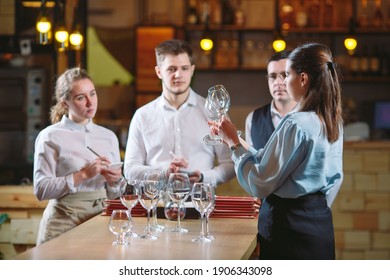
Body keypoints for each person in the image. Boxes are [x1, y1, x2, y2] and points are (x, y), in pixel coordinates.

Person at [209, 42, 343, 259]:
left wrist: (234, 144)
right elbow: (269, 159)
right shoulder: (331, 119)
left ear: (303, 79)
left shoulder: (295, 123)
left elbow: (260, 182)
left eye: (287, 75)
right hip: (319, 224)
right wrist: (234, 140)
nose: (282, 82)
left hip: (289, 228)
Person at [124, 39, 235, 185]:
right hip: (157, 202)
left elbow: (231, 164)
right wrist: (162, 174)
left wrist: (204, 177)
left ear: (192, 70)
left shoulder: (213, 113)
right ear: (159, 72)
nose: (178, 74)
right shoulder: (142, 116)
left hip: (200, 202)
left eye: (184, 68)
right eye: (171, 69)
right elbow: (130, 169)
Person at [33, 67, 123, 245]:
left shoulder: (108, 136)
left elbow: (114, 195)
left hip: (101, 220)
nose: (91, 103)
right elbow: (41, 189)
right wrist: (82, 175)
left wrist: (115, 182)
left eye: (93, 94)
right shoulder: (50, 136)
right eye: (81, 97)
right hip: (62, 222)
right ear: (64, 103)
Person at [245, 50, 298, 150]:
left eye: (285, 75)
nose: (278, 82)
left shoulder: (311, 116)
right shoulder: (253, 119)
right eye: (272, 76)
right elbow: (251, 163)